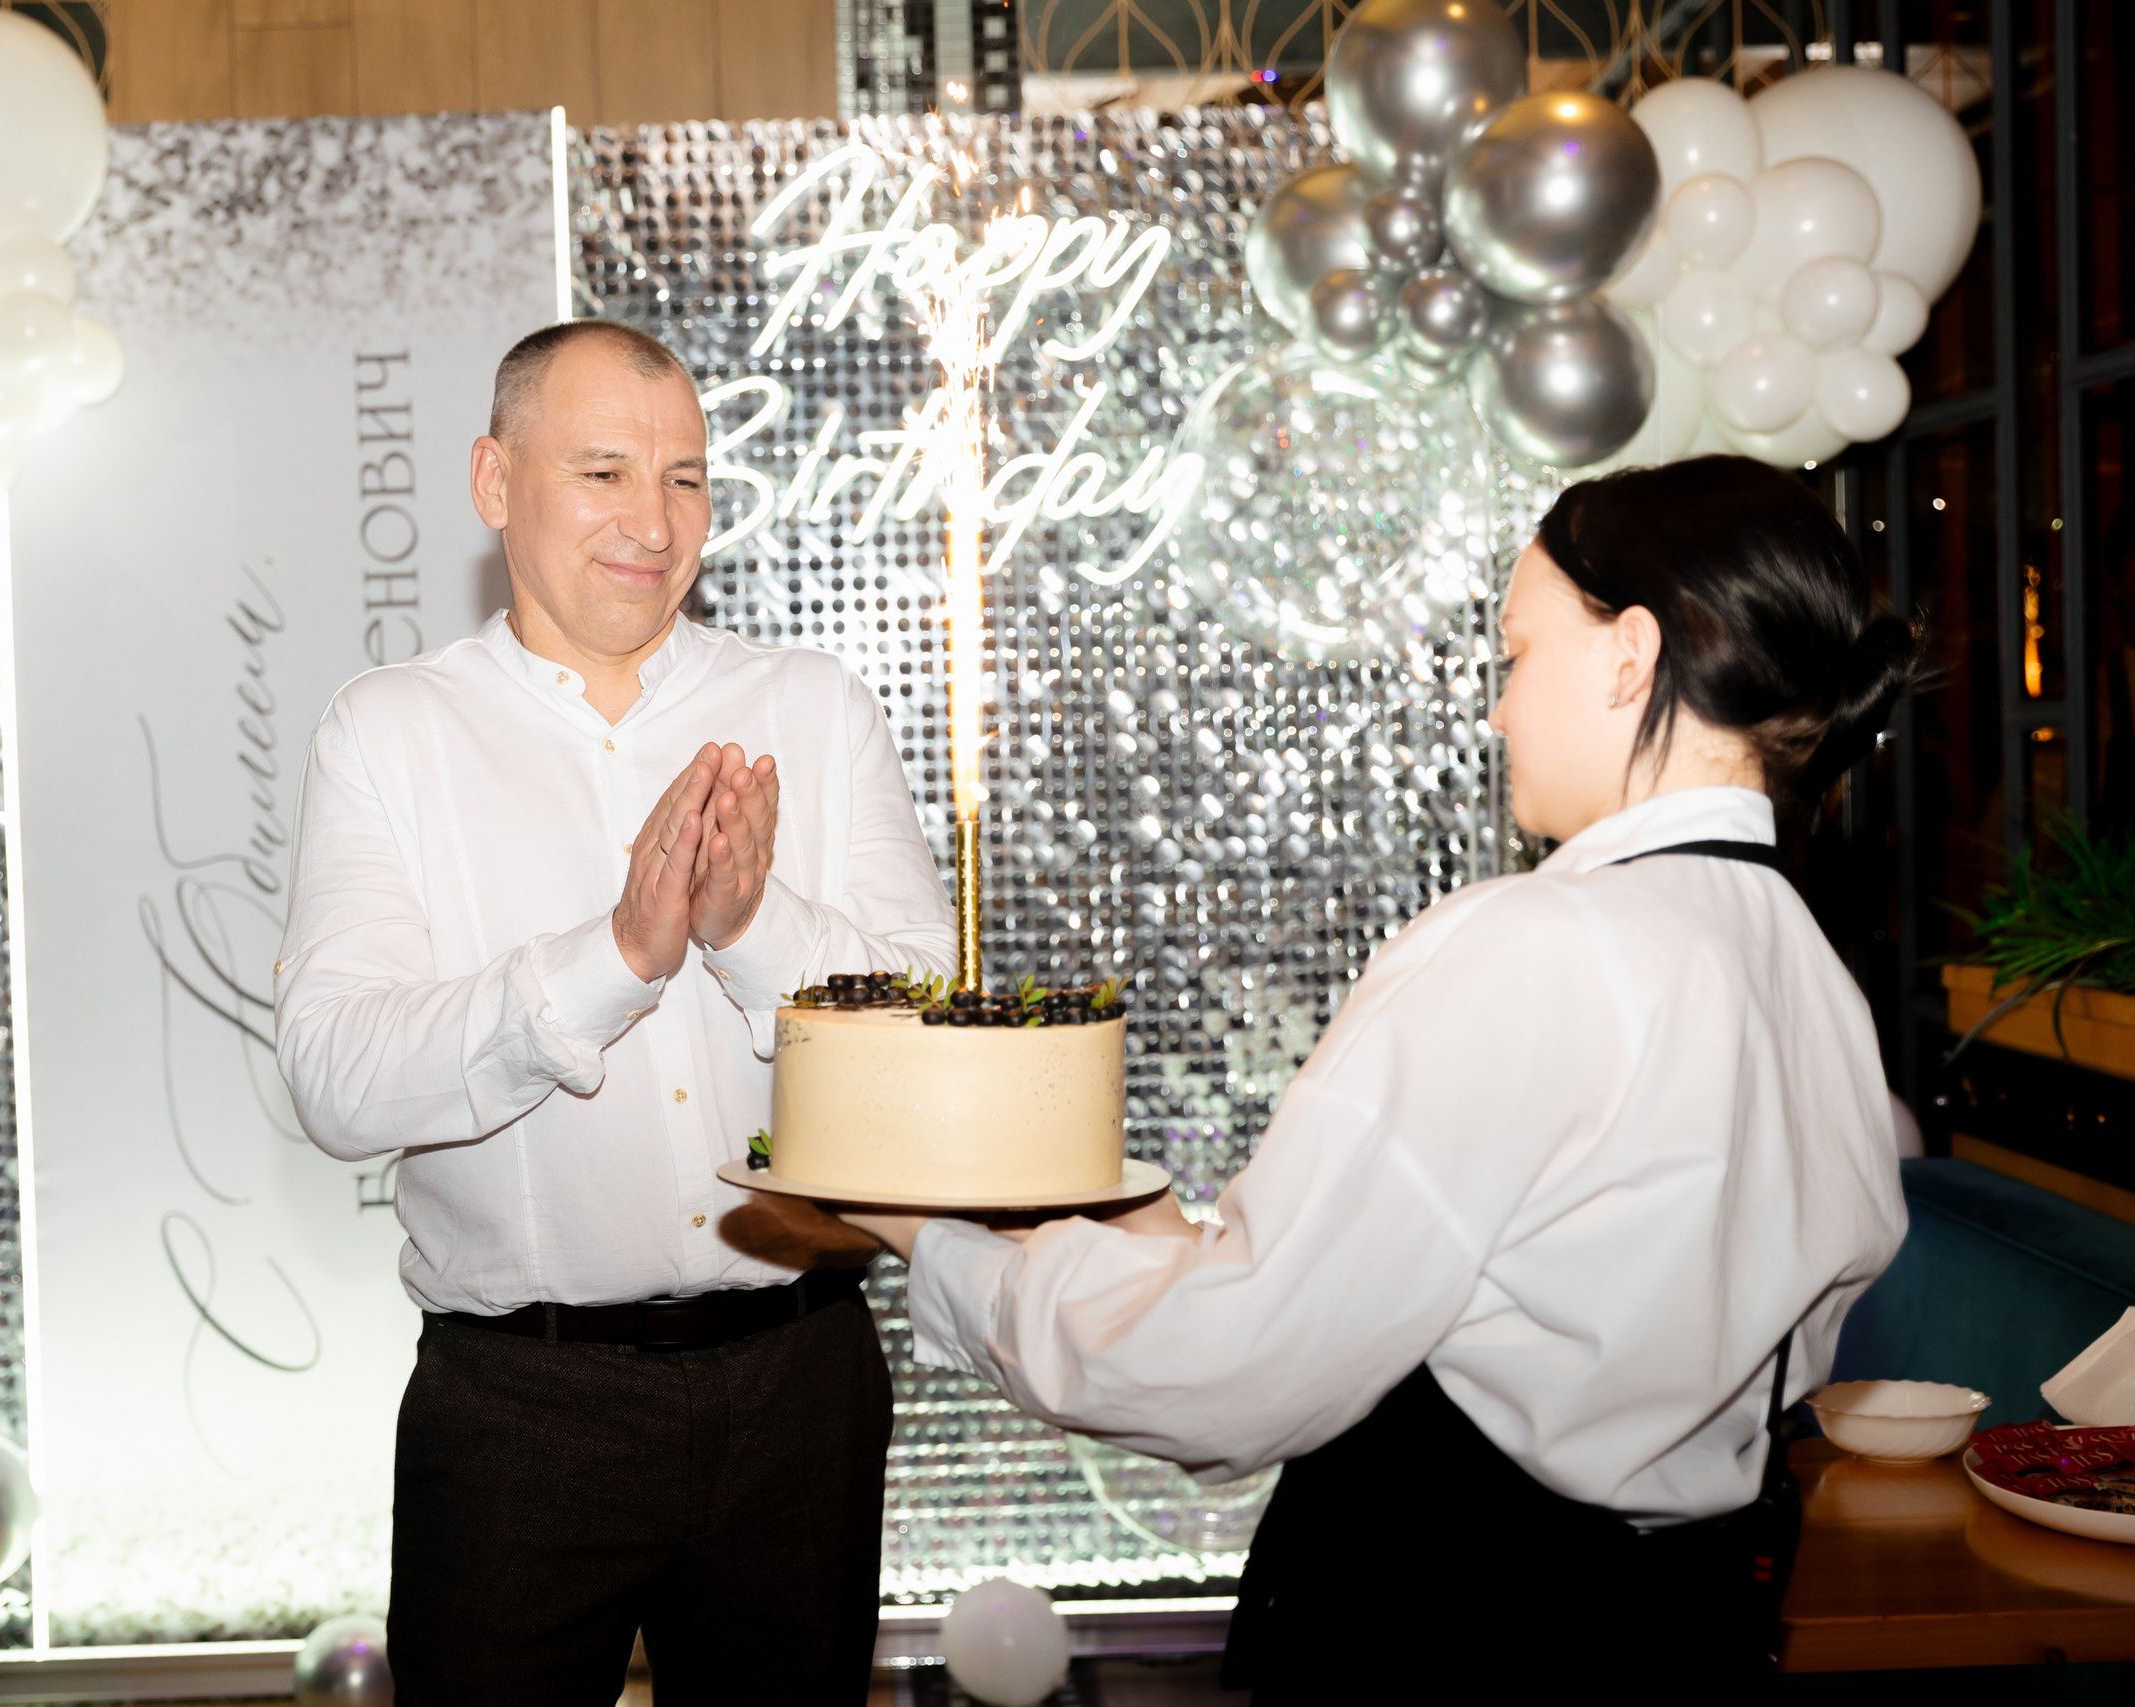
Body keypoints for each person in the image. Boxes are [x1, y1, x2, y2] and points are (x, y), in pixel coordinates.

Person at [842, 455, 1917, 1695]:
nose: (1500, 710)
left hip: (1460, 1627)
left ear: (1630, 656)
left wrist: (928, 1241)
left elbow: (1225, 1370)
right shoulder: (1815, 979)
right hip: (1685, 1628)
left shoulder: (1530, 947)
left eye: (1516, 655)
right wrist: (1164, 1233)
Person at [273, 319, 954, 1705]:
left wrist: (752, 924)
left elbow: (939, 1055)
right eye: (604, 472)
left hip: (800, 1379)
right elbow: (335, 1077)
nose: (654, 521)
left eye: (687, 478)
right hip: (520, 1407)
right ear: (492, 478)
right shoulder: (389, 730)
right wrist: (618, 955)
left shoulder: (807, 705)